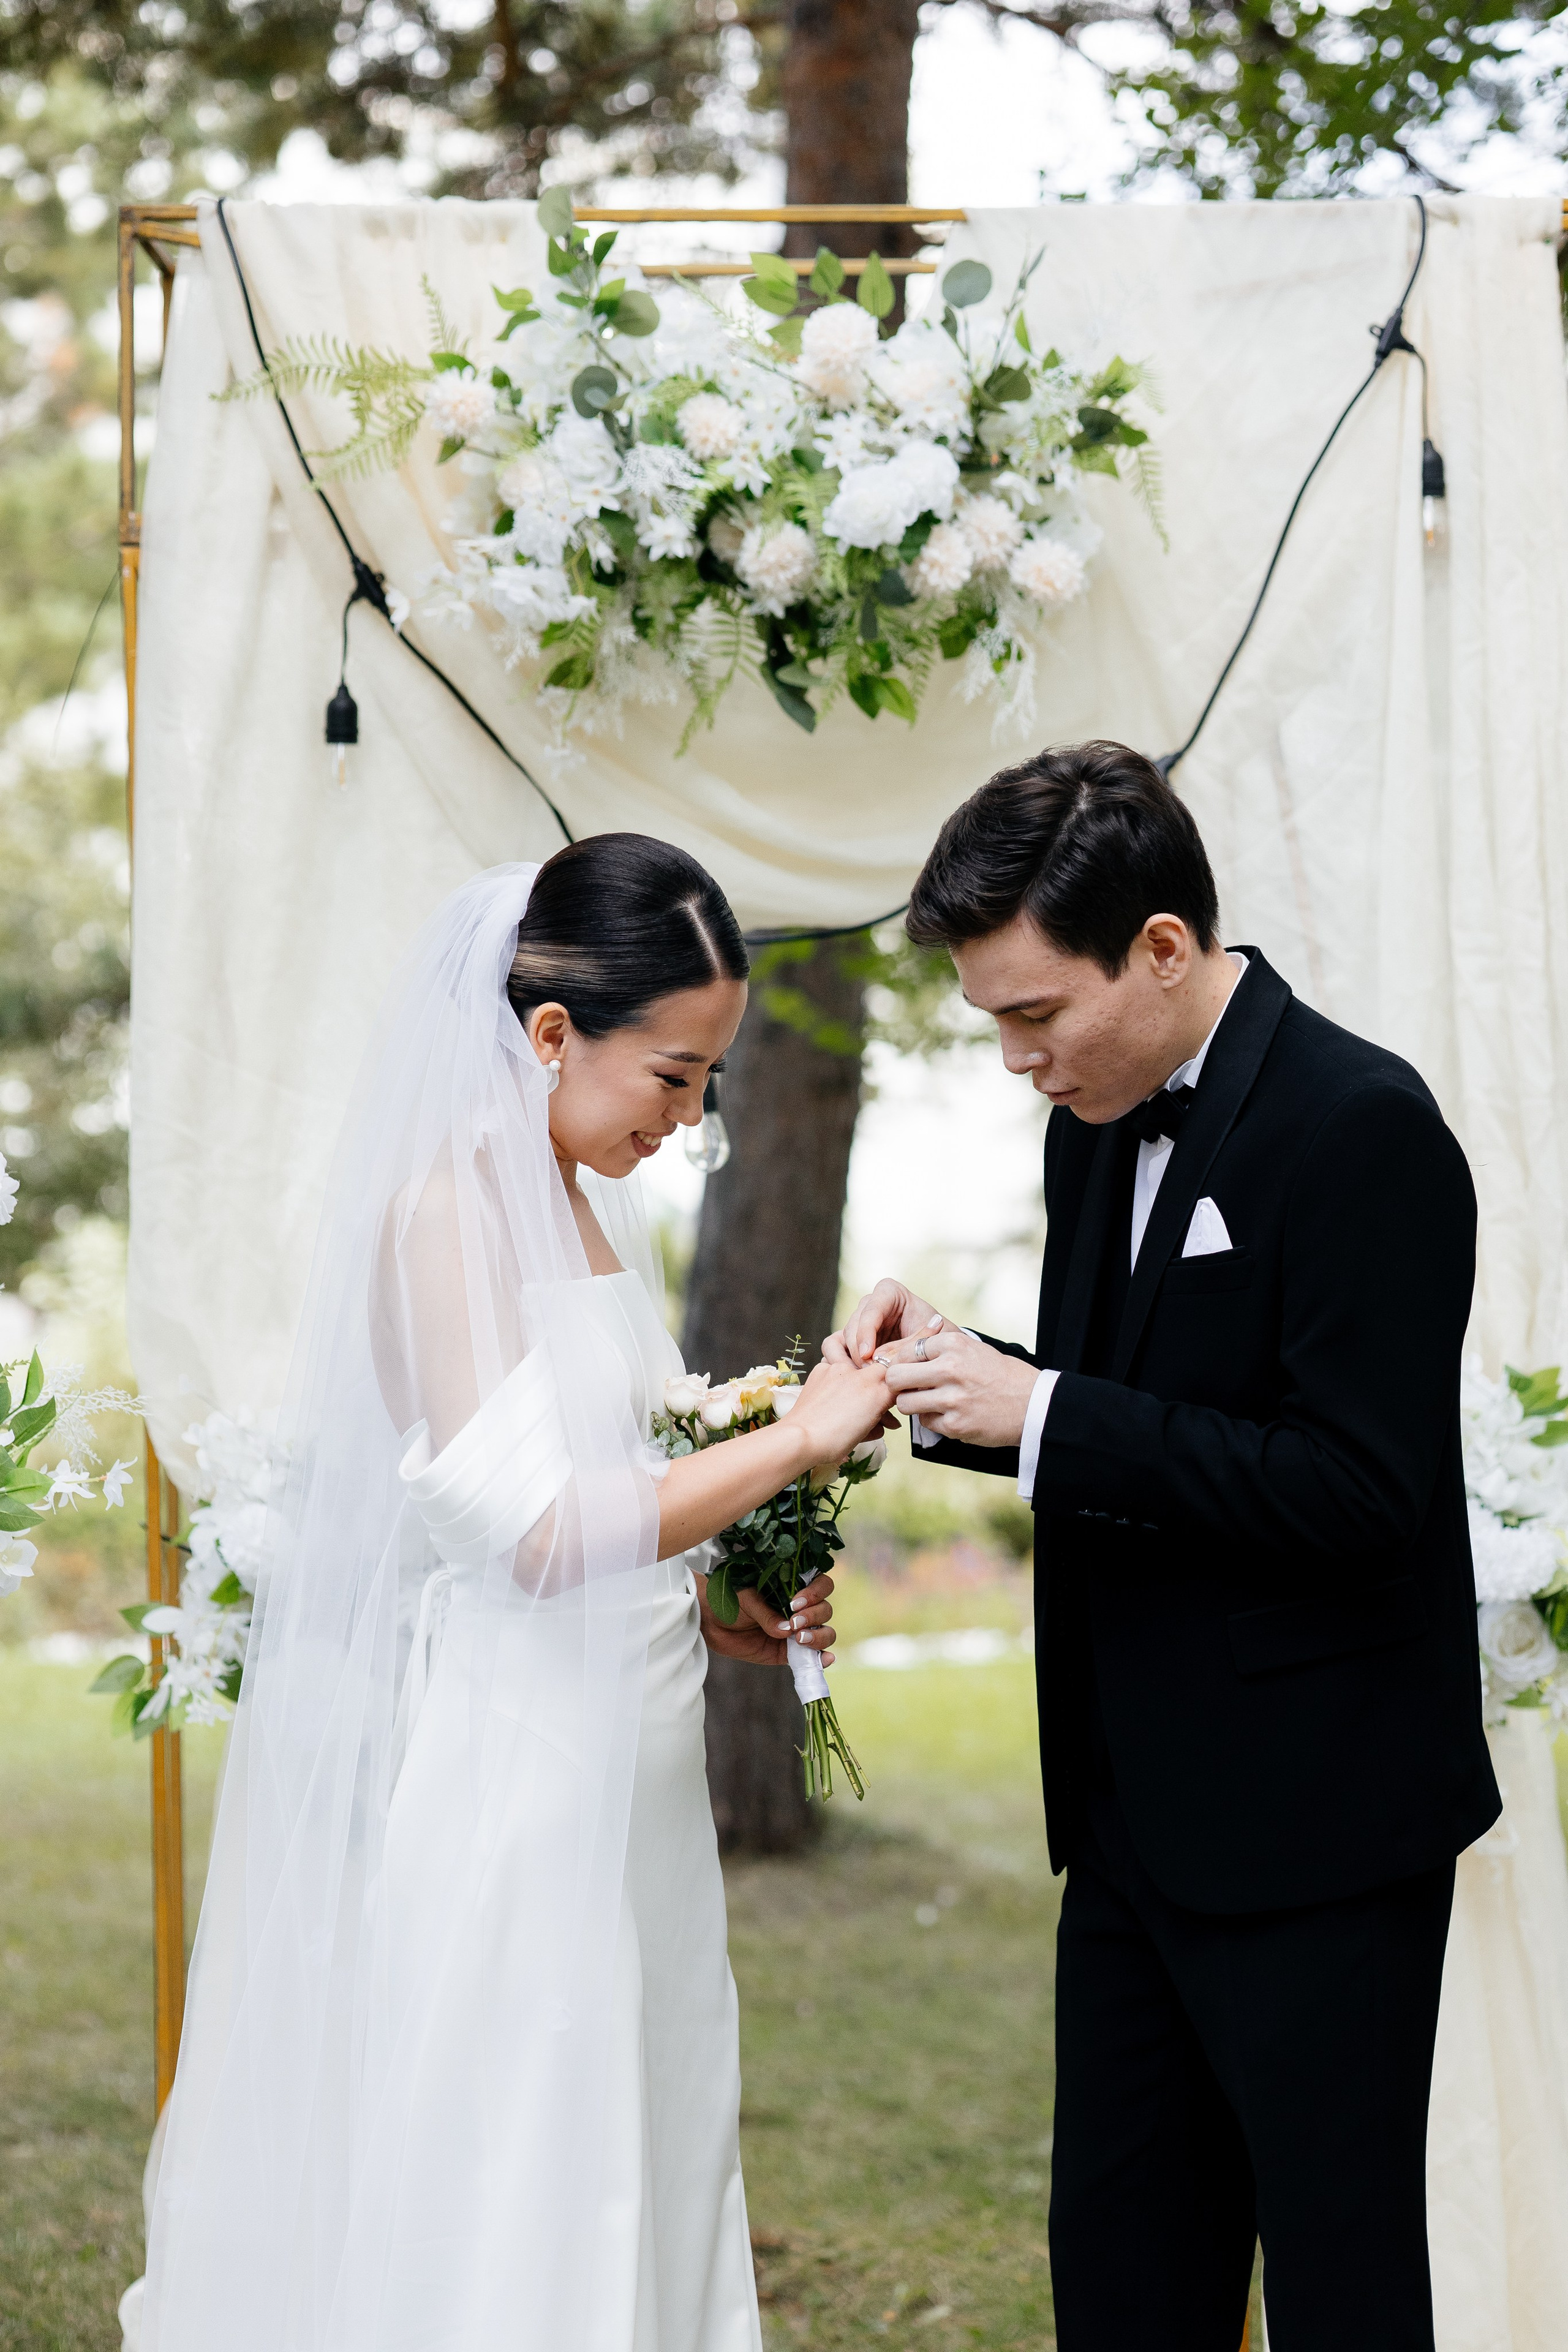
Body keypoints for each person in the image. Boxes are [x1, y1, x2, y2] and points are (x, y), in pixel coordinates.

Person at [142, 838, 892, 2352]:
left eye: (708, 1086)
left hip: (634, 1759)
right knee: (523, 2158)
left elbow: (603, 1499)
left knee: (647, 2120)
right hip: (521, 1777)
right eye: (669, 1077)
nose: (685, 1123)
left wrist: (705, 1604)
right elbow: (535, 1536)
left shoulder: (572, 1200)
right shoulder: (446, 1213)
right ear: (551, 1034)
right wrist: (801, 1438)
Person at [829, 742, 1500, 2351]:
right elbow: (1126, 1410)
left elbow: (1357, 1491)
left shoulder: (1364, 1125)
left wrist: (1042, 1407)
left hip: (1321, 1830)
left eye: (1034, 1015)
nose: (1013, 1059)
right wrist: (951, 1374)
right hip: (1126, 1822)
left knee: (1342, 2294)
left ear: (1165, 949)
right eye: (991, 1020)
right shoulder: (1090, 1122)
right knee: (1126, 2281)